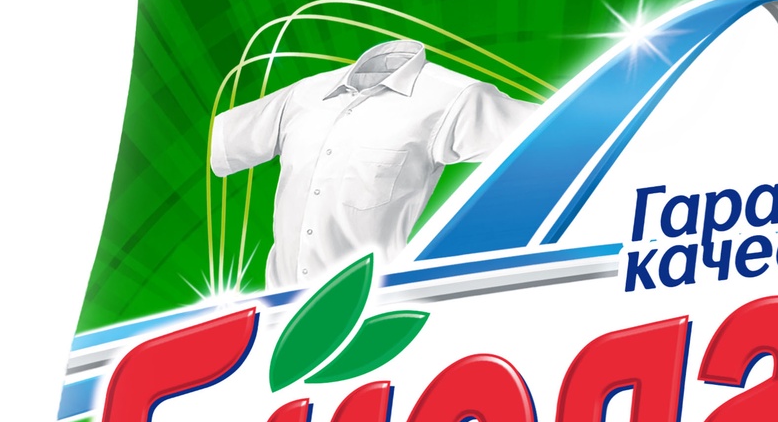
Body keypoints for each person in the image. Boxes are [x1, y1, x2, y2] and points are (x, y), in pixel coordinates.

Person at [210, 37, 536, 291]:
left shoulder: (452, 98)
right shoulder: (306, 95)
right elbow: (223, 144)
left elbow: (553, 139)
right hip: (278, 312)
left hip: (370, 314)